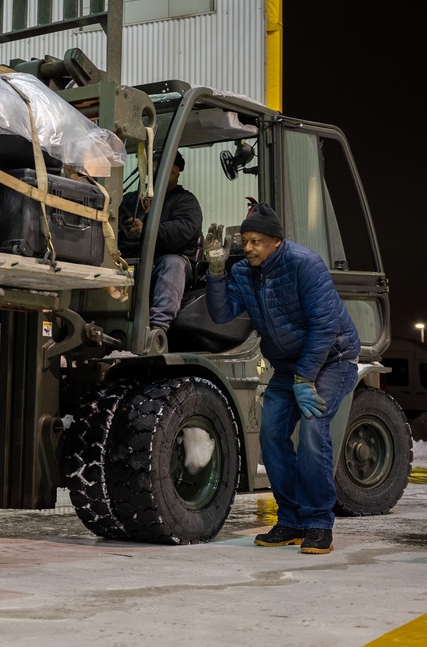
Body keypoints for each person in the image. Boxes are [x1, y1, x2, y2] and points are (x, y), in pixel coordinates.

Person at [204, 203, 360, 555]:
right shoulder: (245, 272)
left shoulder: (305, 264)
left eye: (256, 241)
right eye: (245, 241)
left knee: (312, 431)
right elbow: (221, 313)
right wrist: (215, 271)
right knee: (272, 435)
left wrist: (305, 379)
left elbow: (325, 326)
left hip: (332, 360)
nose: (248, 248)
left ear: (276, 241)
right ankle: (291, 519)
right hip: (289, 366)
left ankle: (319, 523)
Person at [117, 151, 203, 331]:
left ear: (175, 172)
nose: (158, 172)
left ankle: (159, 326)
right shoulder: (130, 199)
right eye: (153, 167)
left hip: (163, 260)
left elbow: (183, 230)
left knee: (173, 264)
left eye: (167, 169)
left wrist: (147, 229)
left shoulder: (185, 201)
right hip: (132, 260)